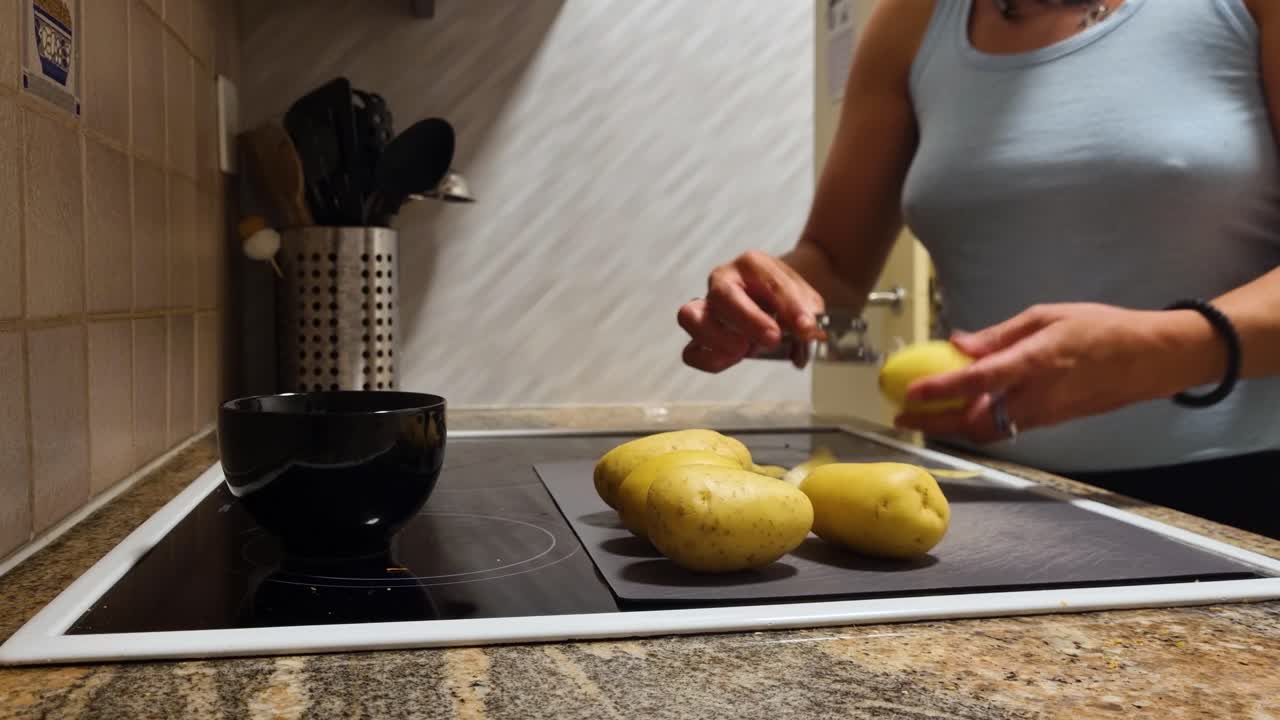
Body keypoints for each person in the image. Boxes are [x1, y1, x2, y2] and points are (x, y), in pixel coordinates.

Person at [677, 0, 1280, 540]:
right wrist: (766, 297)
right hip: (973, 486)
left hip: (1230, 494)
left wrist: (1167, 349)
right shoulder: (911, 19)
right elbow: (832, 264)